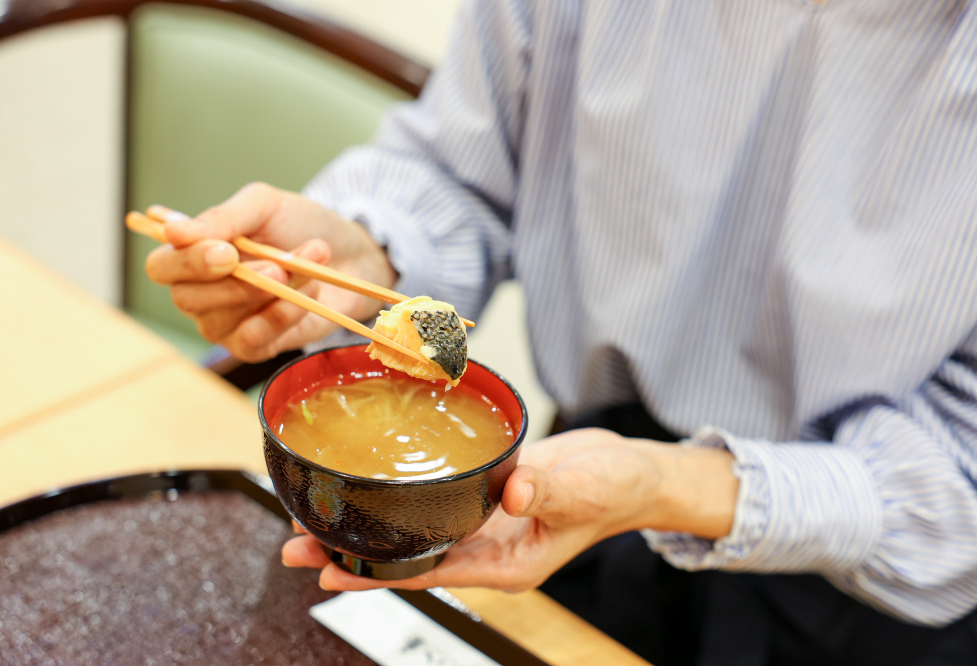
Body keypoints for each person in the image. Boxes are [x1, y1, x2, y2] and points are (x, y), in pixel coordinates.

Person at [145, 1, 977, 664]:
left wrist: (666, 485)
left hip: (872, 593)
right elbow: (462, 167)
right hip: (583, 497)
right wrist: (366, 249)